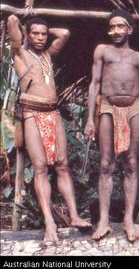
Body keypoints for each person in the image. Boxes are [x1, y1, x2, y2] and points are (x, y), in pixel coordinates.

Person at [7, 13, 91, 244]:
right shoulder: (19, 53)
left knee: (63, 165)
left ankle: (73, 216)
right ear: (27, 33)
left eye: (43, 34)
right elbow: (12, 20)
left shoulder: (48, 55)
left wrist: (44, 26)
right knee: (41, 167)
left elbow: (64, 33)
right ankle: (50, 223)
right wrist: (26, 21)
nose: (41, 37)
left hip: (52, 113)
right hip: (32, 113)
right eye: (35, 33)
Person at [84, 10, 139, 241]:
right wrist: (89, 119)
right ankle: (103, 220)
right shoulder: (102, 51)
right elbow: (94, 84)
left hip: (134, 108)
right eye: (112, 27)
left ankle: (128, 220)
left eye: (120, 26)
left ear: (129, 29)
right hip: (107, 106)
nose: (115, 31)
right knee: (106, 163)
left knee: (132, 163)